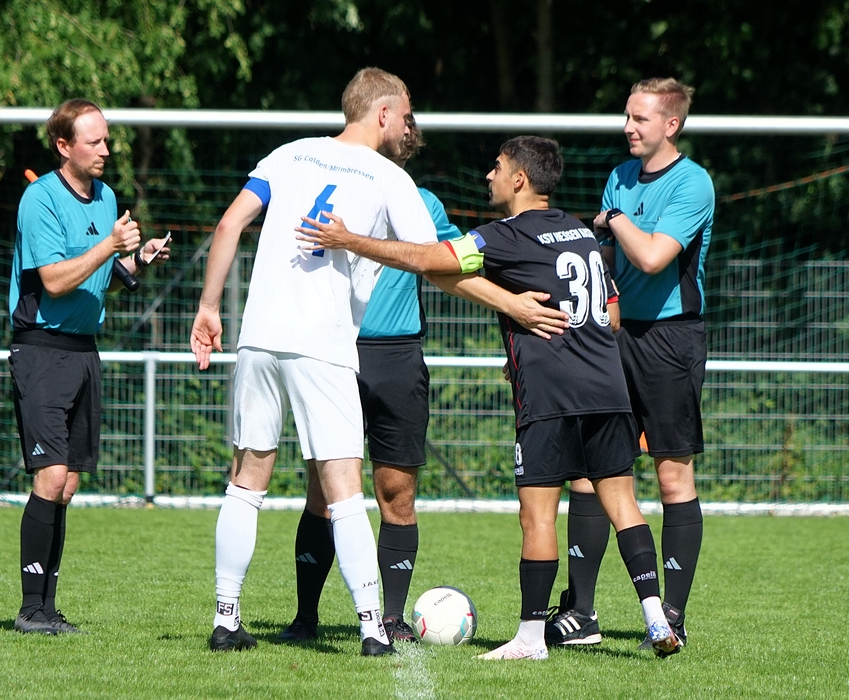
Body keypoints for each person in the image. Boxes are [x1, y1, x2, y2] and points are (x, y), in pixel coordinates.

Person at [191, 68, 568, 657]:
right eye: (406, 112)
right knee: (344, 493)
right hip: (323, 345)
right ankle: (372, 628)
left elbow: (229, 223)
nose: (409, 124)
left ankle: (225, 618)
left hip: (258, 337)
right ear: (384, 112)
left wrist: (210, 307)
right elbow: (434, 263)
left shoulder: (287, 155)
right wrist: (509, 302)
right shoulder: (388, 176)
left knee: (245, 483)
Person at [296, 135, 682, 659]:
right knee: (624, 504)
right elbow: (610, 315)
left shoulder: (505, 235)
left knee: (537, 516)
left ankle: (530, 638)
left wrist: (350, 240)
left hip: (551, 394)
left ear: (519, 179)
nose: (489, 176)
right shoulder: (579, 232)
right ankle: (657, 620)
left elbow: (429, 259)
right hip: (609, 386)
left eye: (497, 168)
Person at [278, 118, 464, 645]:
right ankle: (305, 618)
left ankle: (393, 617)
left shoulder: (425, 205)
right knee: (323, 491)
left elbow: (457, 263)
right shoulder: (330, 193)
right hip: (333, 353)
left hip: (398, 357)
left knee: (396, 493)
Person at [546, 78, 713, 651]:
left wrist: (611, 219)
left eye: (640, 119)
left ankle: (672, 616)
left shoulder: (693, 183)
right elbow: (610, 264)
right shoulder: (620, 175)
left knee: (671, 475)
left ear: (671, 125)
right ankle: (581, 613)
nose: (628, 128)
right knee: (590, 469)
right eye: (627, 116)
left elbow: (651, 256)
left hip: (671, 340)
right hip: (614, 338)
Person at [9, 98, 170, 635]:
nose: (106, 149)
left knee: (69, 481)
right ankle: (30, 608)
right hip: (42, 349)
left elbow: (103, 277)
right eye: (94, 141)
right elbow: (55, 280)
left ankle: (48, 609)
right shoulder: (40, 198)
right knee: (51, 475)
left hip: (84, 350)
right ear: (64, 146)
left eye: (106, 138)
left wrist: (137, 259)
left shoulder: (106, 197)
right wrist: (110, 245)